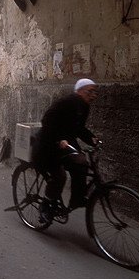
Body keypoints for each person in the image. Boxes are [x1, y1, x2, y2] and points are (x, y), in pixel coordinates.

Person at [33, 78, 99, 223]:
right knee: (59, 177)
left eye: (95, 92)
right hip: (47, 146)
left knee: (81, 162)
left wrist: (92, 139)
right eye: (90, 91)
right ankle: (45, 206)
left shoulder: (84, 107)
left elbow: (79, 128)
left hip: (66, 145)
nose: (93, 95)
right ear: (80, 91)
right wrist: (58, 139)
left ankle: (77, 199)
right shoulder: (66, 102)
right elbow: (47, 121)